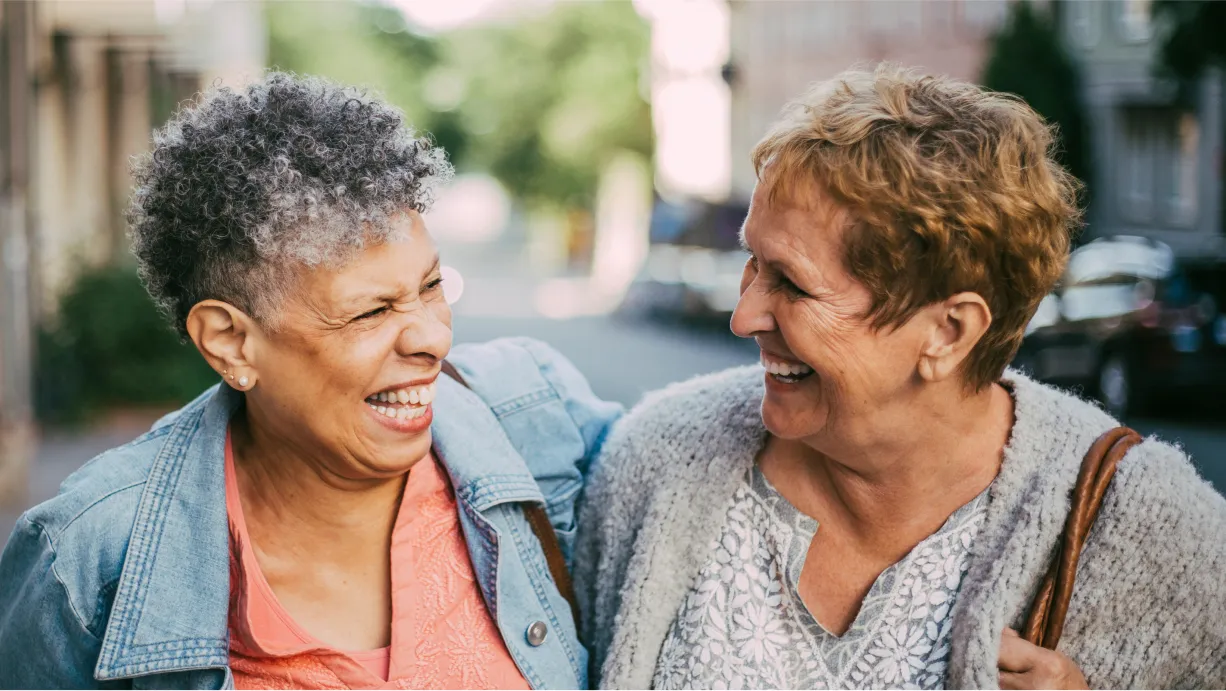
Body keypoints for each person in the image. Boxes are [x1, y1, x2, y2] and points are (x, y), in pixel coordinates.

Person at [574, 64, 1226, 690]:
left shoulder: (1140, 518)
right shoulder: (660, 462)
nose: (743, 317)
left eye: (792, 284)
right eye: (753, 261)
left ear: (948, 332)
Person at [0, 72, 621, 689]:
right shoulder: (87, 558)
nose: (432, 339)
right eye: (372, 312)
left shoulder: (534, 412)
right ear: (230, 341)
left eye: (431, 286)